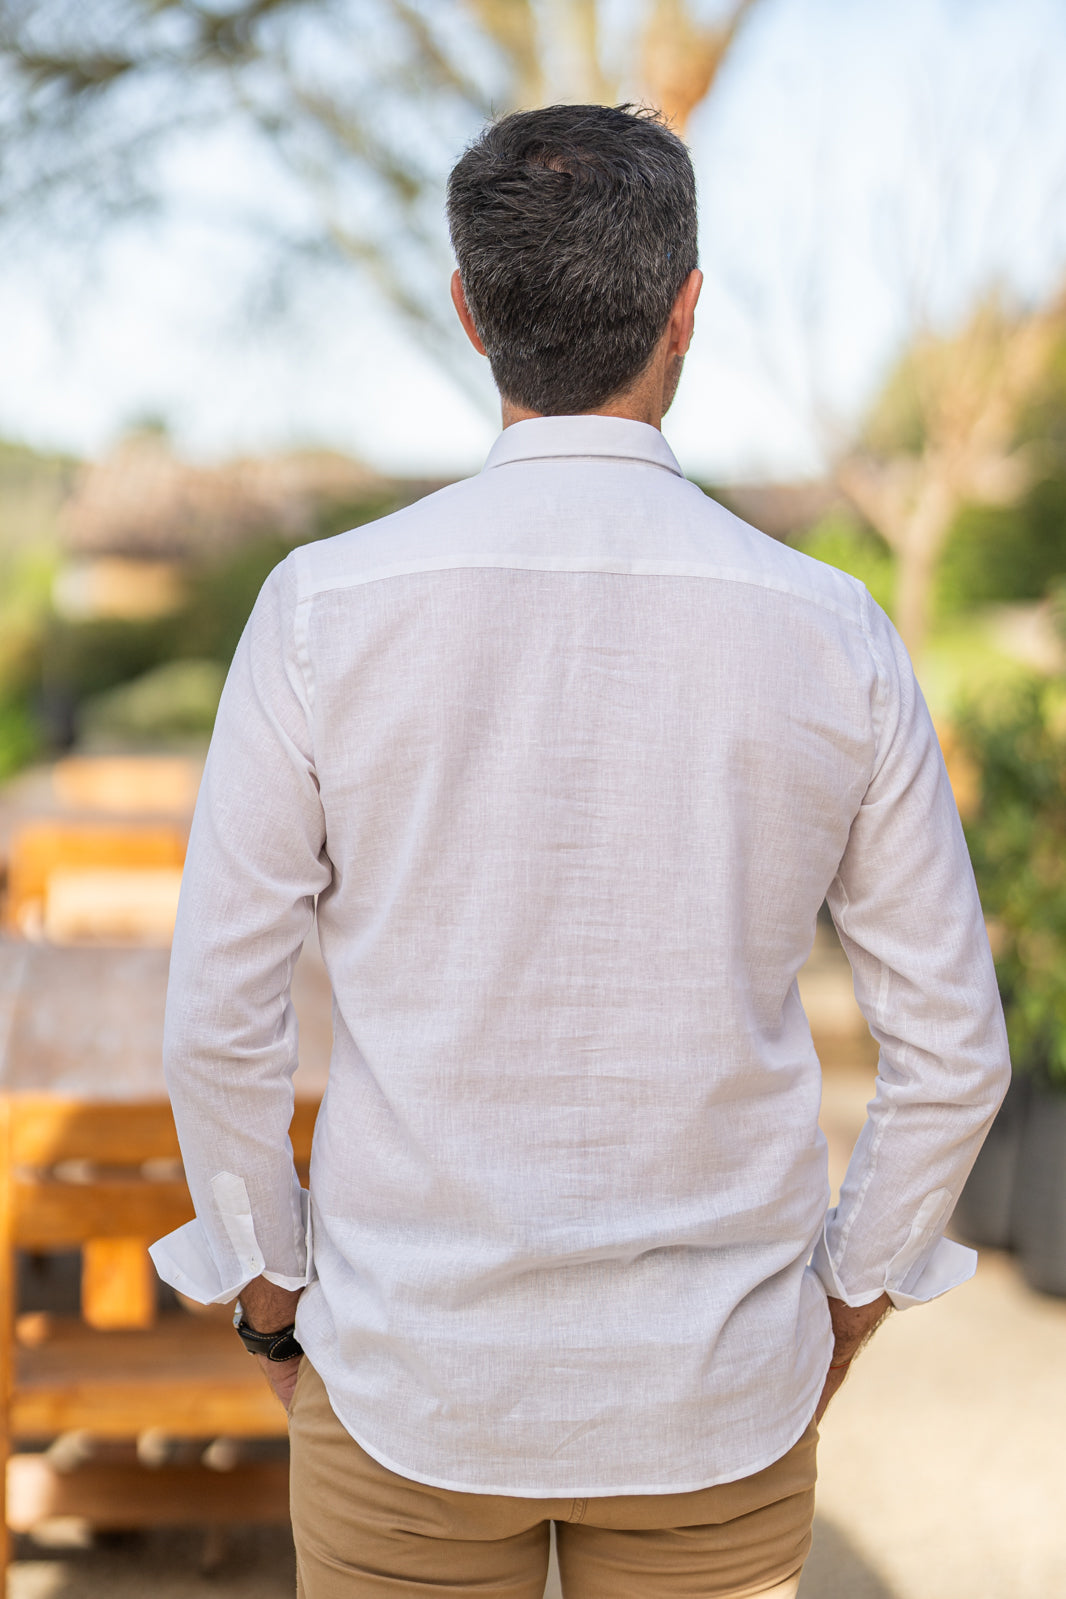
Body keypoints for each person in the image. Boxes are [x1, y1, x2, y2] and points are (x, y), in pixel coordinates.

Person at [151, 104, 1010, 1599]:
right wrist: (846, 1299)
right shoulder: (833, 633)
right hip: (719, 1395)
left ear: (469, 312)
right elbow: (951, 1050)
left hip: (407, 1380)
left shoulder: (317, 611)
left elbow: (221, 1023)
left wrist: (272, 1295)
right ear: (688, 310)